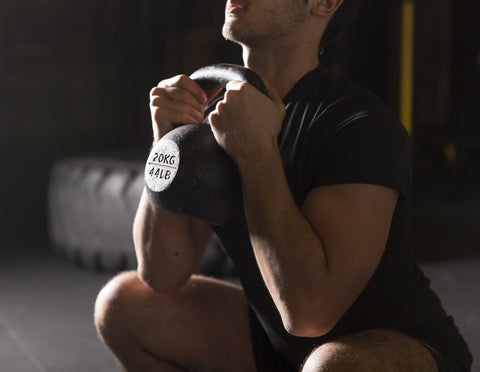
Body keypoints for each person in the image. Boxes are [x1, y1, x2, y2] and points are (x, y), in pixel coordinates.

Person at [94, 0, 473, 371]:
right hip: (281, 347)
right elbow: (163, 274)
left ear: (324, 3)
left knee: (333, 365)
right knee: (123, 305)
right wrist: (167, 141)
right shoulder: (213, 118)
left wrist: (256, 153)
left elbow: (311, 314)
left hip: (394, 349)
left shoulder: (360, 125)